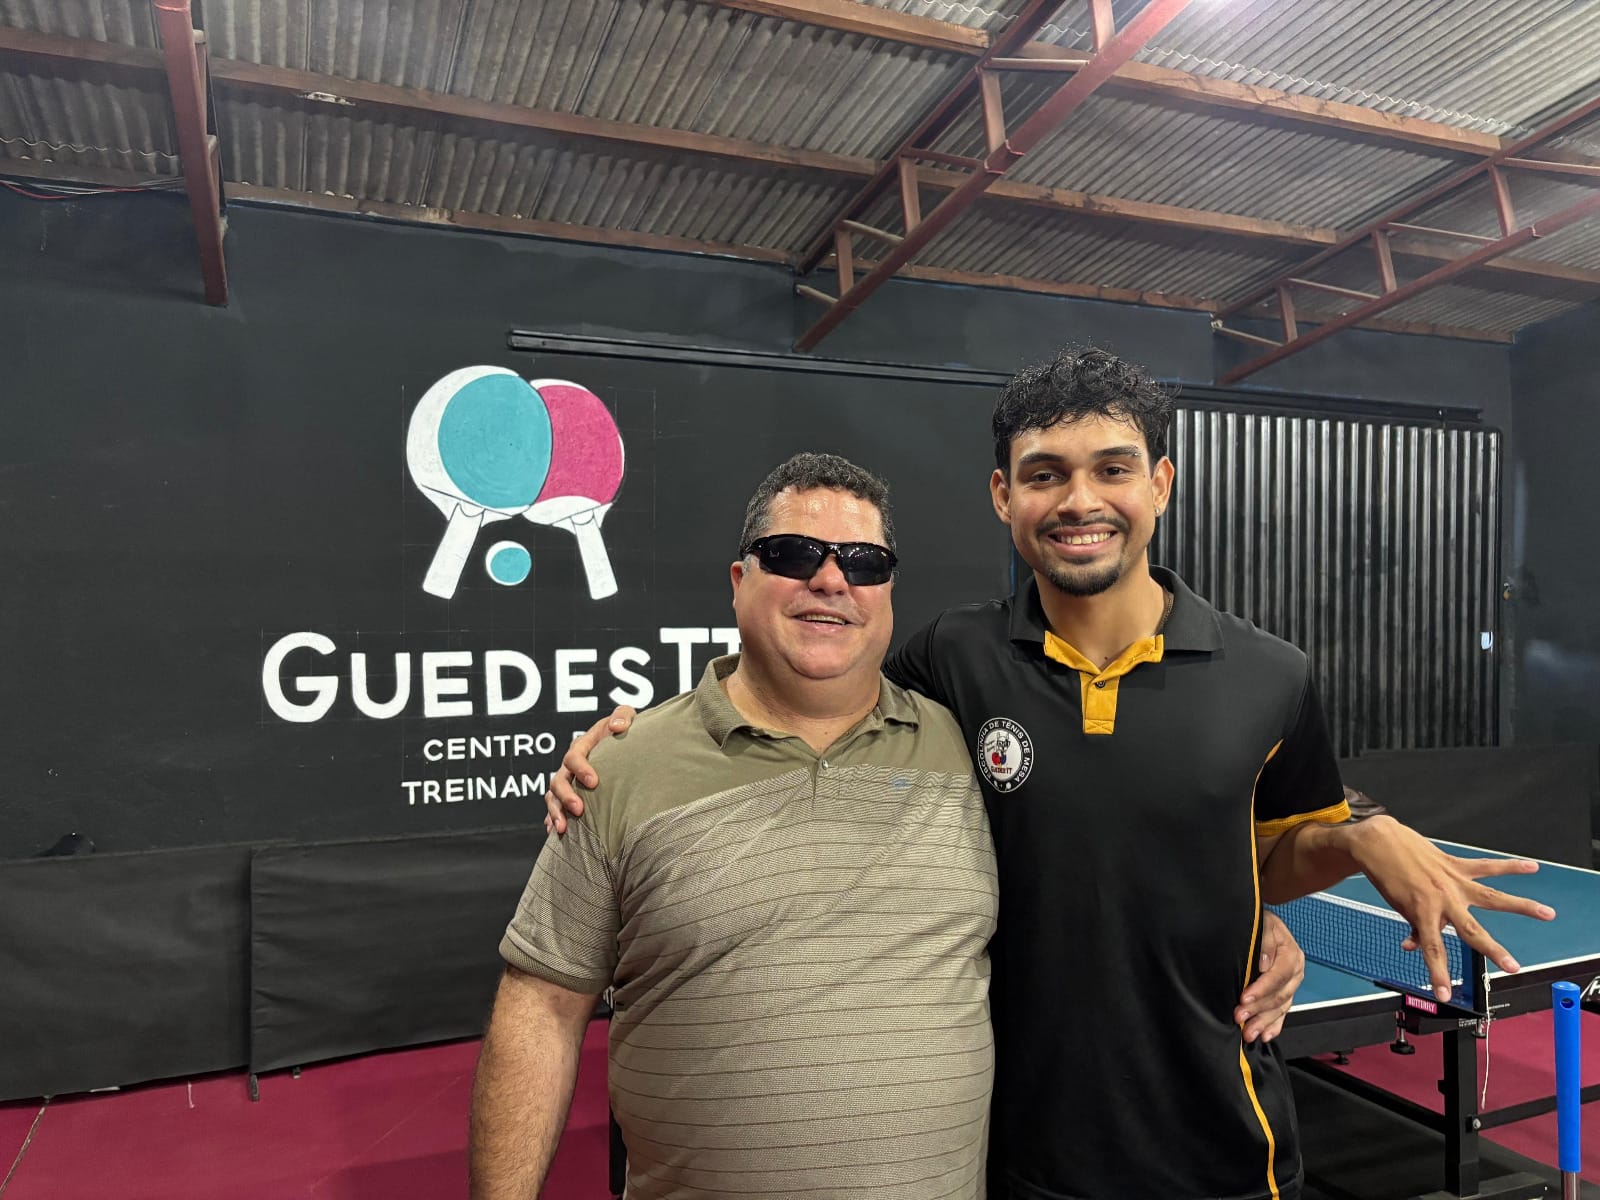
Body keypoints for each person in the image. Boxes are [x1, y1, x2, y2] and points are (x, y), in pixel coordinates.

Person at [547, 349, 1557, 1200]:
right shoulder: (952, 659)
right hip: (1018, 1158)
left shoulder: (1272, 674)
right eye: (1044, 474)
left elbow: (1272, 850)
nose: (1080, 501)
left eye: (1113, 469)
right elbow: (807, 691)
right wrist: (639, 739)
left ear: (1160, 484)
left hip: (1226, 1152)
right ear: (1004, 495)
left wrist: (1358, 838)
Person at [472, 451, 1307, 1200]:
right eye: (793, 554)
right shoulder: (621, 767)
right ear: (738, 579)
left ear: (889, 593)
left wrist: (1244, 915)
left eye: (864, 563)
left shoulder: (961, 740)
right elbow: (540, 1008)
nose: (831, 580)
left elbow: (1094, 847)